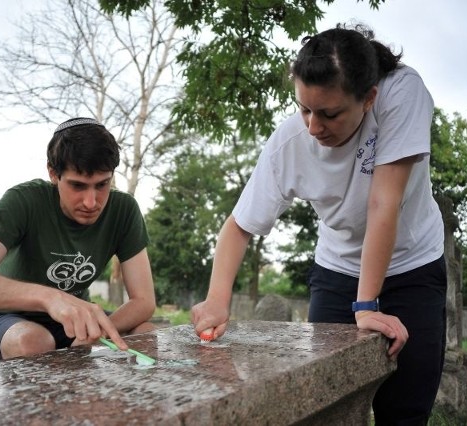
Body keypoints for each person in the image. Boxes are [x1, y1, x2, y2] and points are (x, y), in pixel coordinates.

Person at [191, 24, 446, 425]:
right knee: (326, 400)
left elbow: (384, 202)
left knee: (406, 407)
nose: (313, 127)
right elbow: (239, 225)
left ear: (368, 98)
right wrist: (217, 300)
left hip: (412, 264)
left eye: (329, 113)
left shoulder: (401, 92)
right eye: (304, 109)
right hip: (337, 269)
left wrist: (366, 306)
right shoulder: (289, 142)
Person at [0, 117, 156, 361]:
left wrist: (97, 330)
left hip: (78, 323)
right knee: (33, 343)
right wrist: (50, 298)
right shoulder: (24, 200)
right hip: (13, 320)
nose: (92, 202)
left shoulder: (124, 210)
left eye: (102, 184)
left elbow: (144, 301)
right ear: (52, 173)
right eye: (78, 186)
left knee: (147, 335)